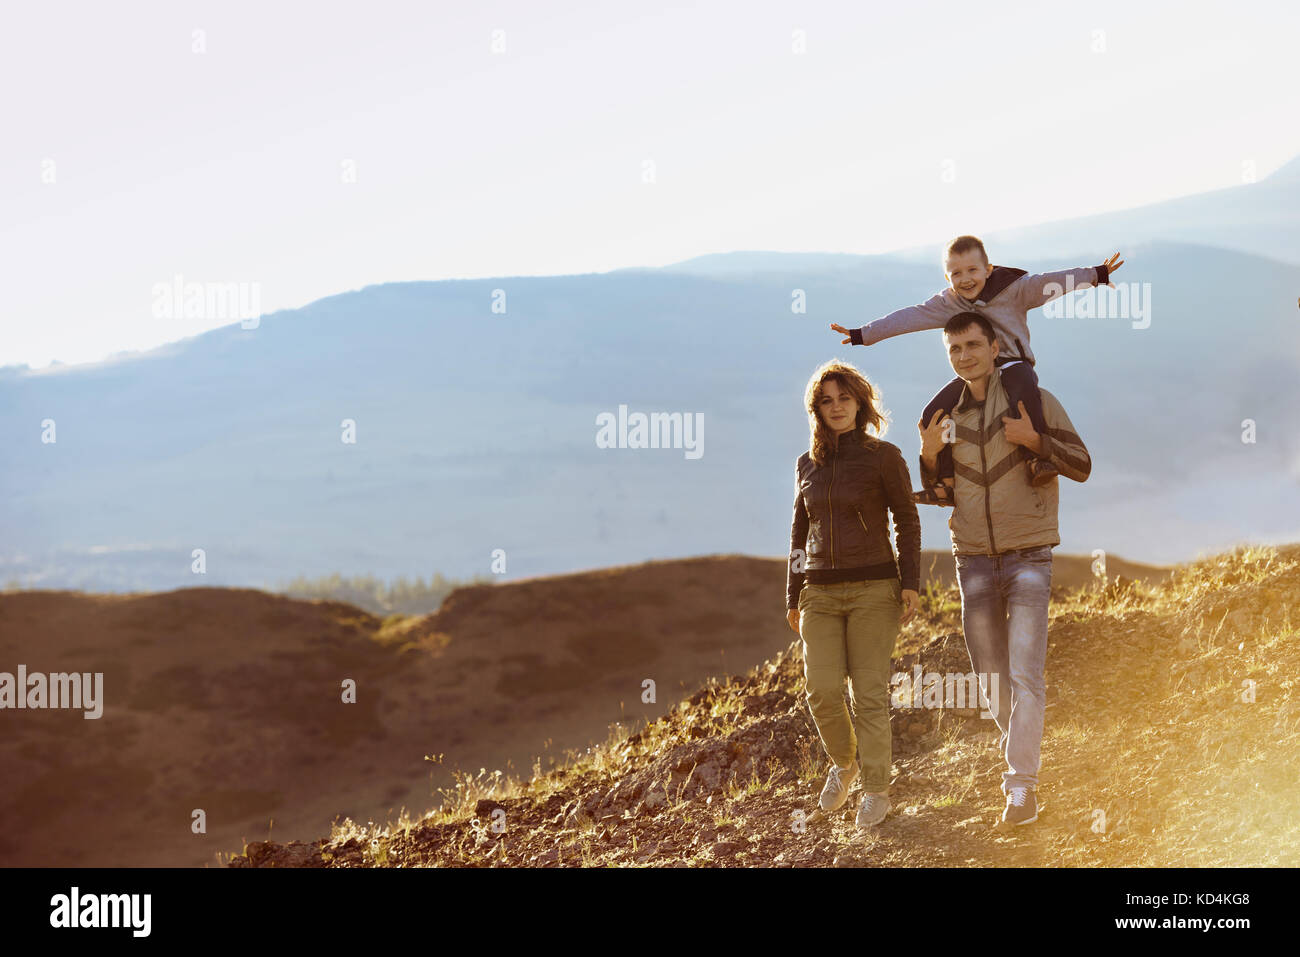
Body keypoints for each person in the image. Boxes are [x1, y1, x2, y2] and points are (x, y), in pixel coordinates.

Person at [918, 311, 1092, 826]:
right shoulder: (944, 417)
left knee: (1025, 675)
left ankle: (1021, 788)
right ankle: (1023, 755)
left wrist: (1033, 440)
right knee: (992, 682)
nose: (965, 356)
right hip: (971, 559)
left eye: (974, 345)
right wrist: (929, 457)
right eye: (955, 349)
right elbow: (940, 490)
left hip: (1028, 555)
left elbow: (1082, 464)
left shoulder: (1031, 403)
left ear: (996, 349)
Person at [830, 235, 1119, 505]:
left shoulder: (1015, 289)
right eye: (956, 273)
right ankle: (946, 482)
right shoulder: (948, 304)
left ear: (988, 269)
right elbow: (911, 317)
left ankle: (1036, 459)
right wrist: (863, 335)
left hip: (1012, 363)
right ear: (947, 277)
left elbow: (1051, 283)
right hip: (974, 375)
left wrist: (1096, 275)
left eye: (972, 270)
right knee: (933, 413)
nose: (965, 279)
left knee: (1025, 392)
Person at [786, 360, 921, 828]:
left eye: (844, 397)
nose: (836, 406)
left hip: (874, 589)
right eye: (827, 400)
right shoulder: (808, 464)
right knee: (821, 690)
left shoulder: (884, 456)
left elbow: (907, 519)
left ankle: (877, 789)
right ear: (816, 409)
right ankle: (844, 764)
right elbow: (799, 533)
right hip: (819, 593)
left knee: (868, 693)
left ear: (860, 402)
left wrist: (910, 582)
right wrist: (792, 596)